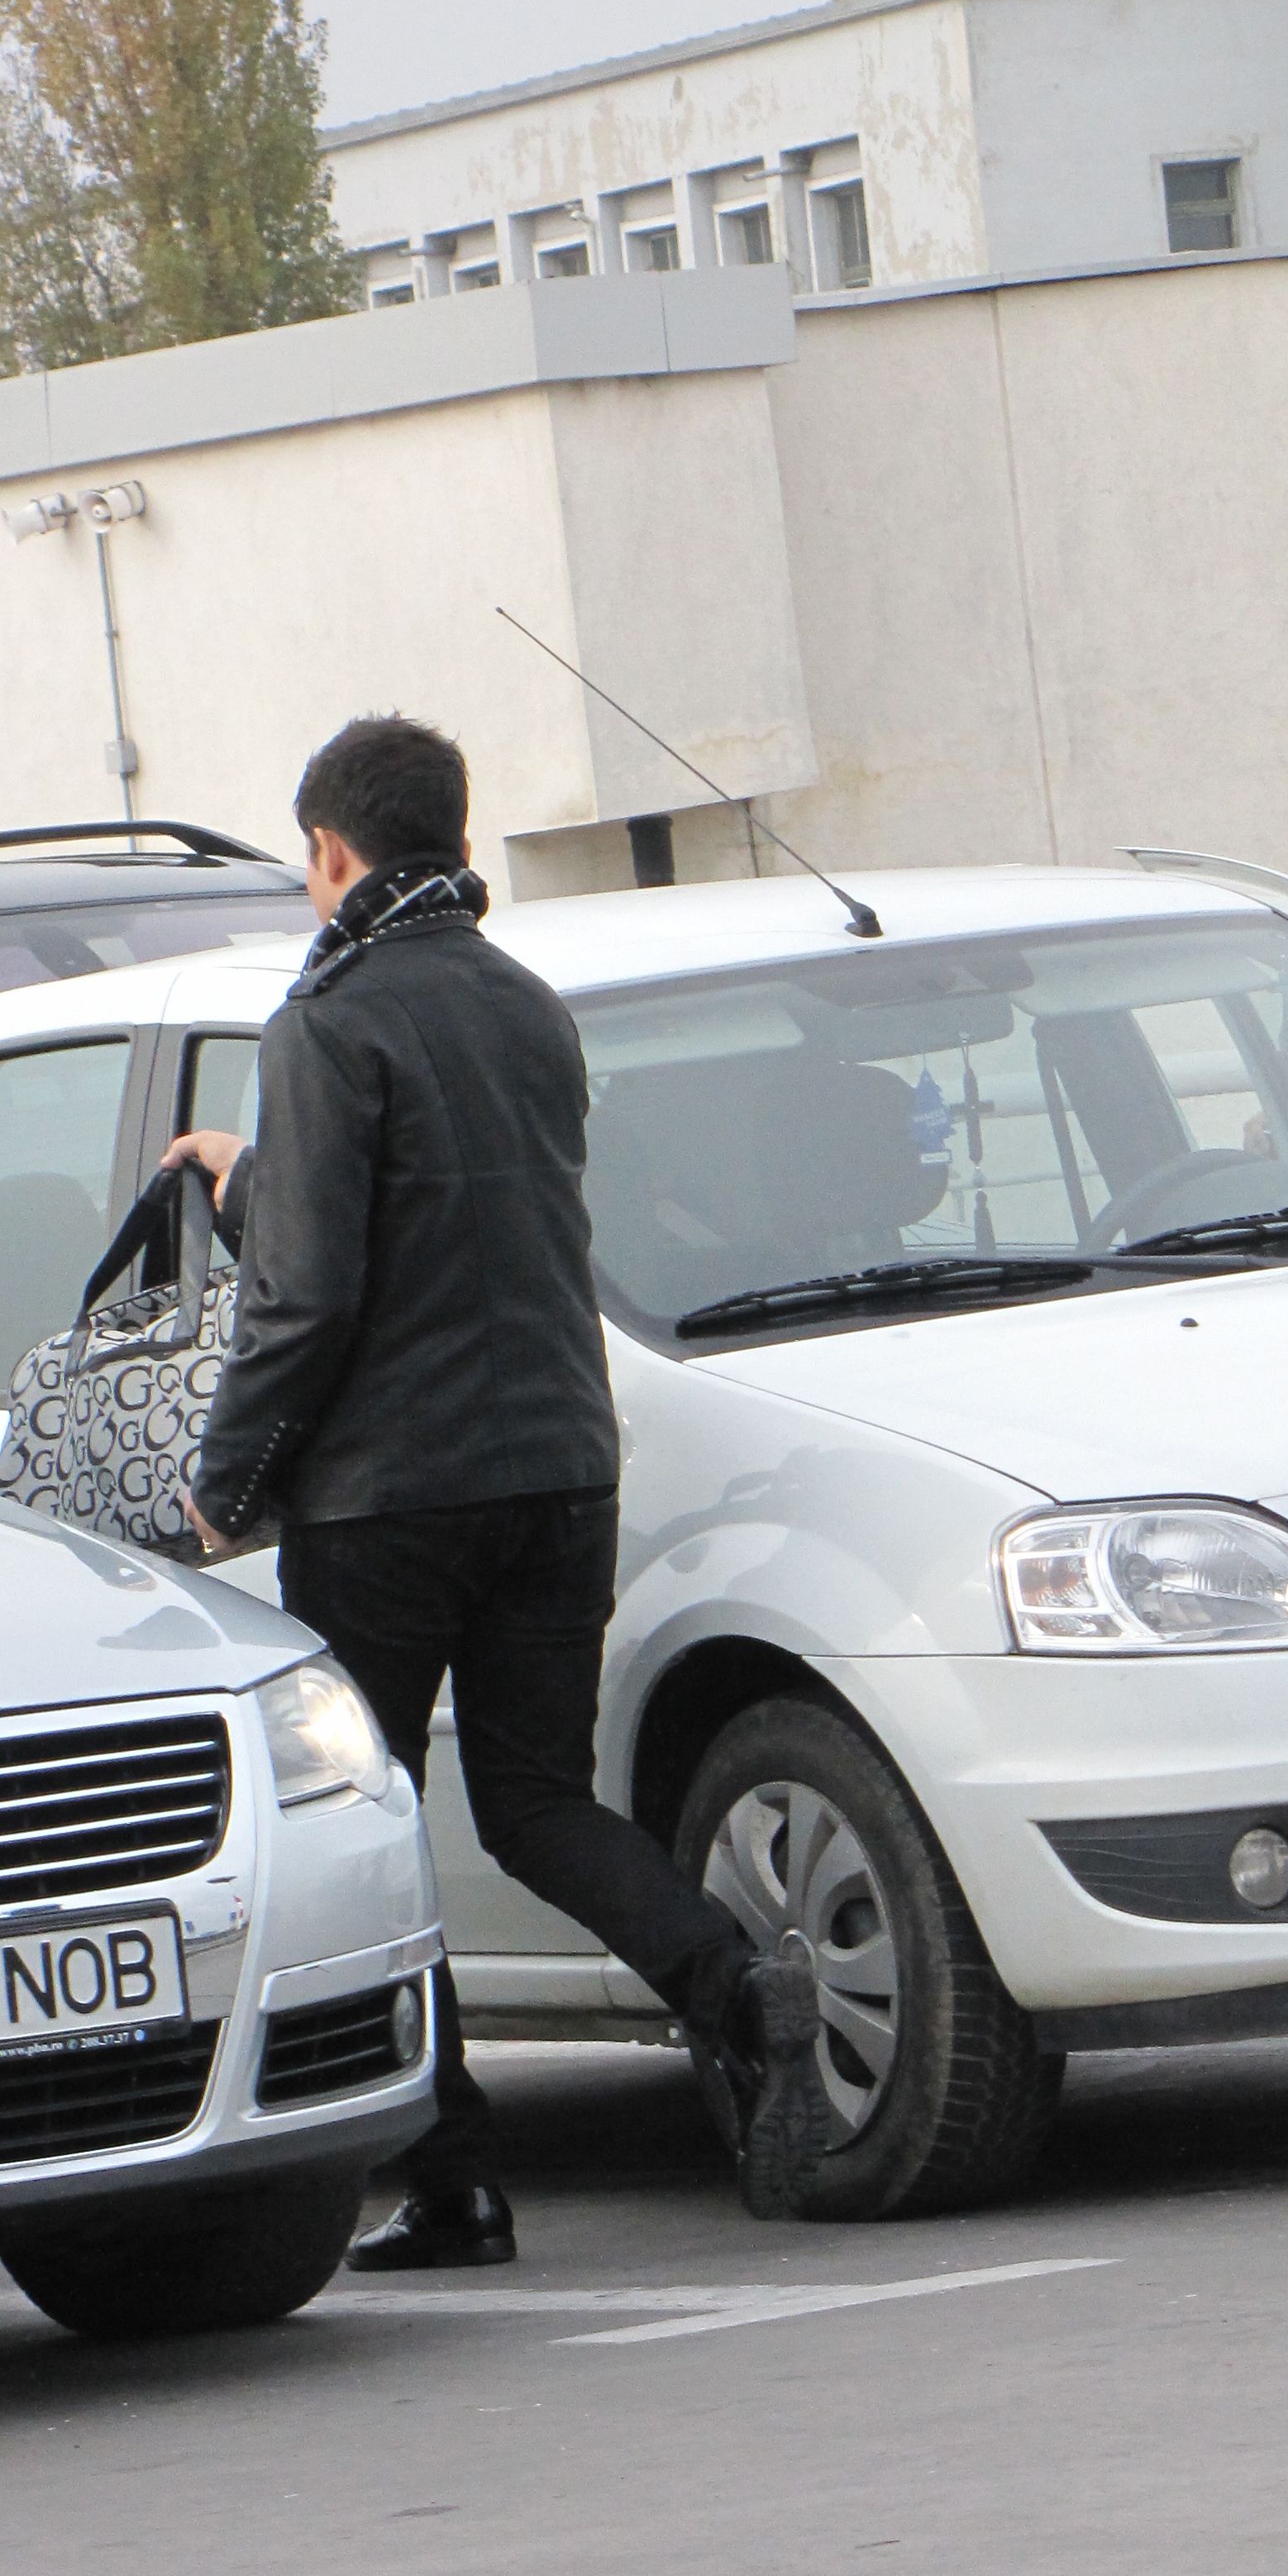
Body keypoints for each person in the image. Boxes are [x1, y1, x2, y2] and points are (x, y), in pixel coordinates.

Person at [169, 713, 828, 2266]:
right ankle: (736, 1990)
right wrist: (251, 1173)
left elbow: (315, 1293)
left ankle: (453, 2175)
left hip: (391, 1502)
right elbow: (445, 1201)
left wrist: (230, 1479)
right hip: (557, 1465)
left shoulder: (325, 1022)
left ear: (330, 854)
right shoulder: (525, 1006)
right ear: (452, 838)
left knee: (375, 1825)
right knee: (537, 1799)